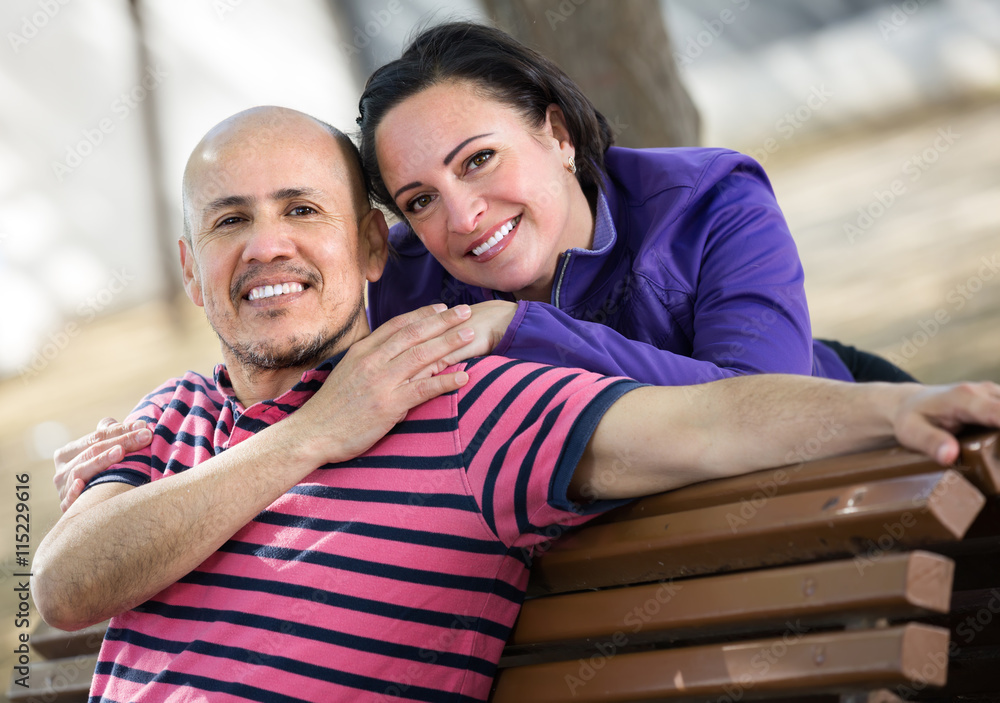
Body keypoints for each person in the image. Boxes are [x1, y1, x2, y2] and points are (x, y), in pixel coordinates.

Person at [32, 106, 1000, 703]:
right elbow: (67, 586)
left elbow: (714, 420)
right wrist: (310, 439)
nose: (269, 245)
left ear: (372, 251)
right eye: (230, 220)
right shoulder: (161, 422)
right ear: (192, 272)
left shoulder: (460, 403)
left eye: (302, 209)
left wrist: (886, 409)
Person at [357, 21, 913, 387]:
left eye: (478, 160)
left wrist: (517, 328)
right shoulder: (404, 283)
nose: (462, 218)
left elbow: (768, 402)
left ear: (557, 134)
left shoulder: (709, 201)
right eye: (421, 200)